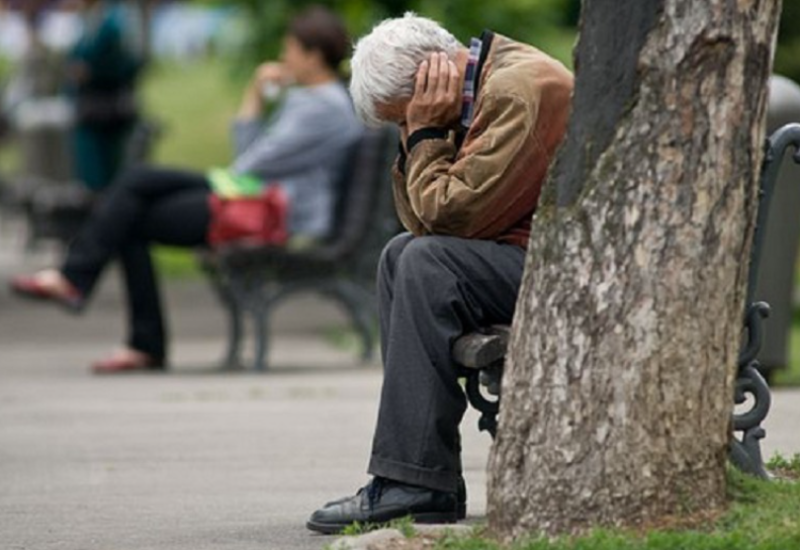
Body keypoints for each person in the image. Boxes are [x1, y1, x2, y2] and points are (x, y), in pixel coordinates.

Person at [306, 13, 573, 533]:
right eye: (401, 127)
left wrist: (427, 133)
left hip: (566, 276)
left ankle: (417, 482)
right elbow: (425, 221)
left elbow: (451, 217)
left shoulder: (514, 93)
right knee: (401, 254)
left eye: (404, 119)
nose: (408, 132)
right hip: (534, 260)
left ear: (431, 78)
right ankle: (425, 478)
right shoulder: (483, 89)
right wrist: (425, 133)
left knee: (424, 261)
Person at [10, 5, 363, 373]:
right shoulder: (316, 101)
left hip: (271, 211)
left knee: (133, 199)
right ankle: (83, 288)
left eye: (290, 49)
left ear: (313, 56)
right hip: (255, 196)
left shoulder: (320, 108)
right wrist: (259, 95)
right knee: (134, 193)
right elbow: (253, 164)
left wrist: (254, 94)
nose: (283, 58)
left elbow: (249, 162)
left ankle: (103, 305)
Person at [67, 0, 146, 191]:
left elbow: (130, 64)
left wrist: (92, 72)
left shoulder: (115, 21)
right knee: (90, 170)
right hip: (88, 109)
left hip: (107, 110)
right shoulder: (86, 22)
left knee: (109, 169)